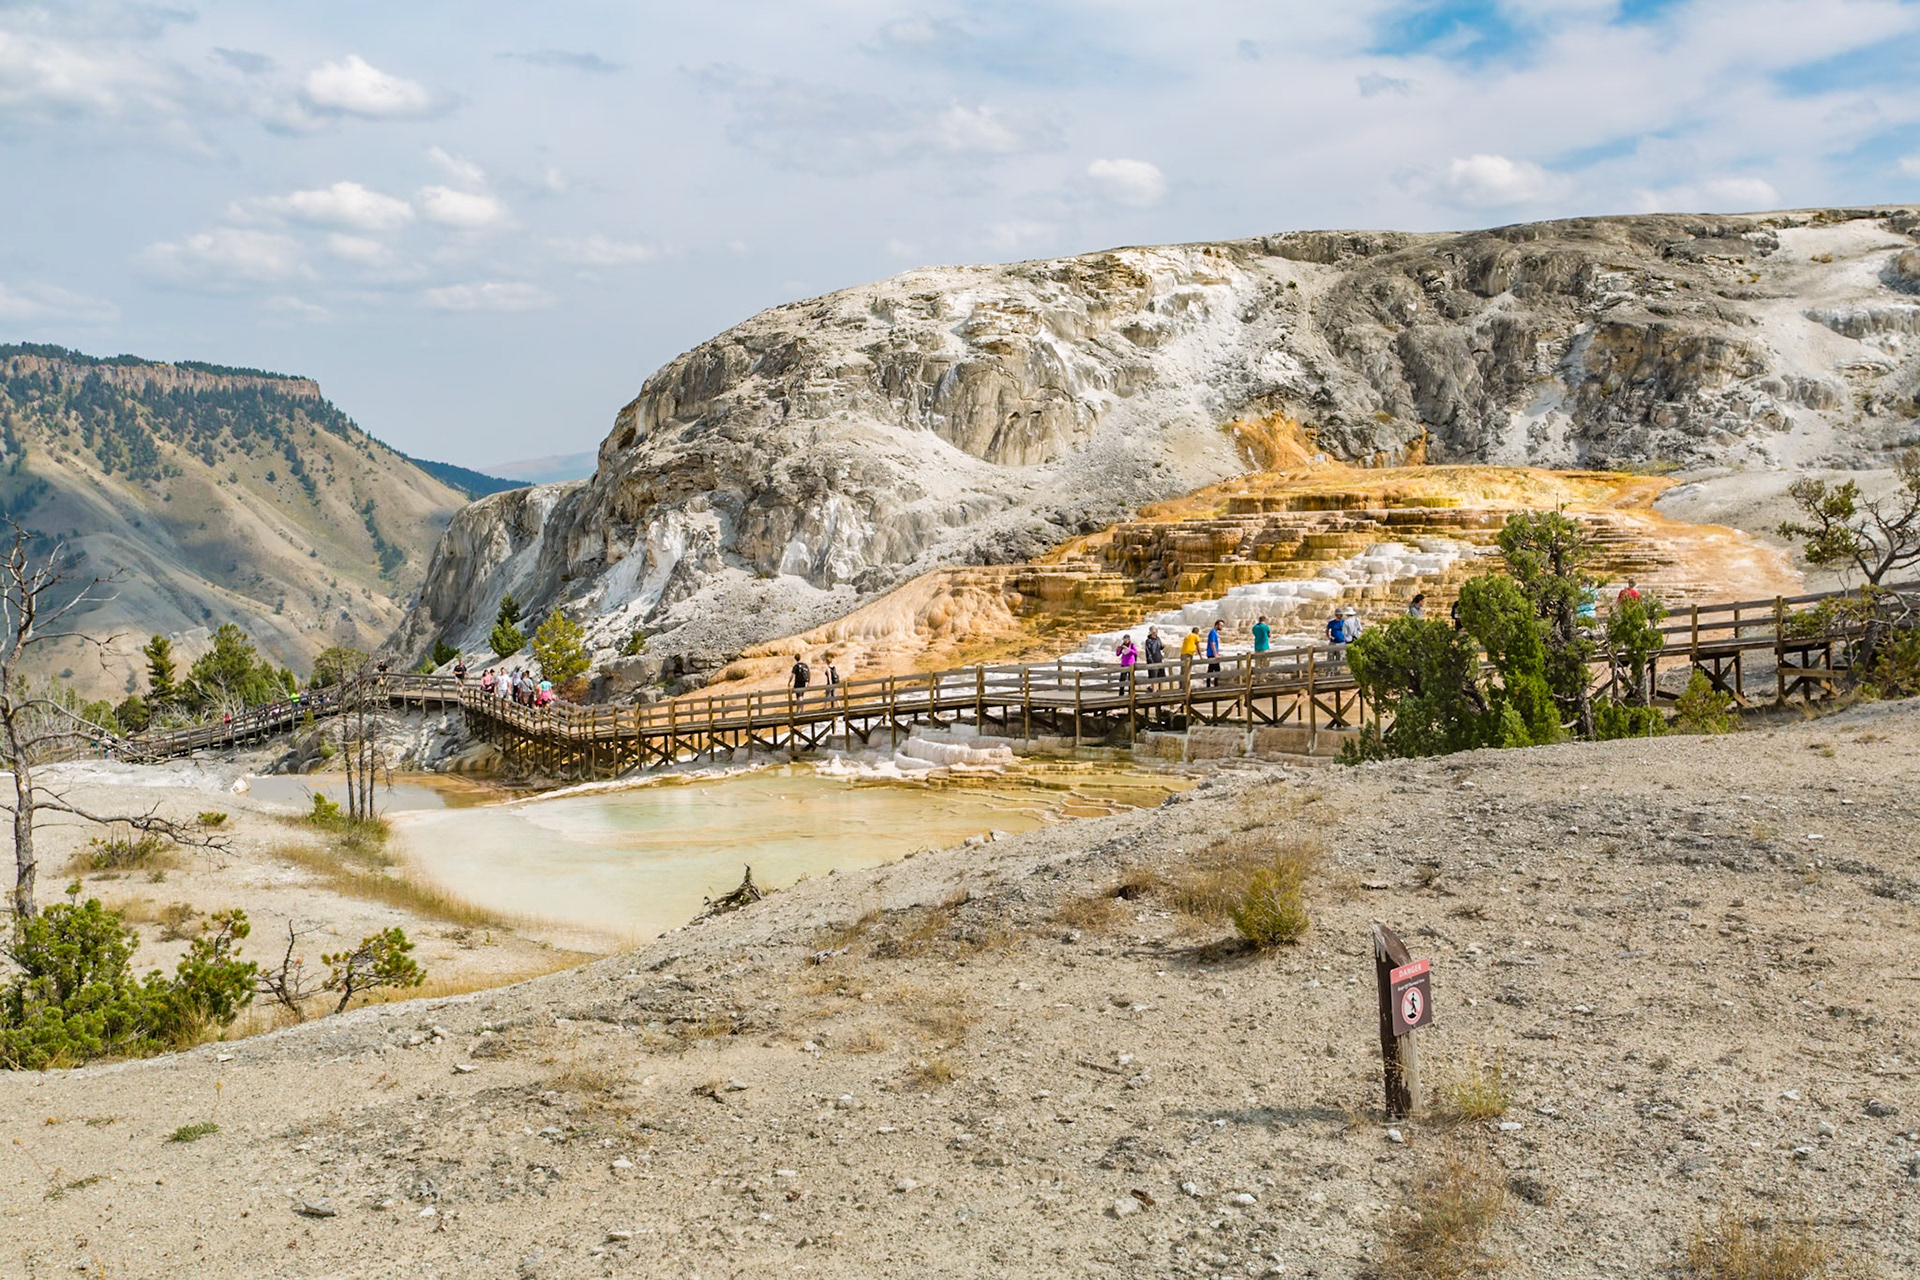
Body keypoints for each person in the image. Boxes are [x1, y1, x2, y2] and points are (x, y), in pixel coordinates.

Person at [1204, 620, 1223, 685]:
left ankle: (1209, 684)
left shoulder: (1214, 632)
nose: (1222, 627)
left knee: (1211, 669)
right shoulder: (1213, 632)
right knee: (1217, 669)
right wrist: (1215, 654)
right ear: (1217, 625)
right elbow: (1212, 643)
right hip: (1212, 654)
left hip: (1211, 653)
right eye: (1221, 625)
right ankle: (1215, 684)